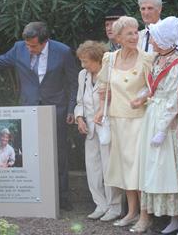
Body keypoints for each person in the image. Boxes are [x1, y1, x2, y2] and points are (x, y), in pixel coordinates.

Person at [0, 21, 78, 210]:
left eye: (33, 46)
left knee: (59, 152)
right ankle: (37, 194)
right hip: (28, 109)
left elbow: (74, 82)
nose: (29, 49)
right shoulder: (19, 49)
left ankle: (63, 197)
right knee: (32, 152)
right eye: (27, 45)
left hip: (56, 109)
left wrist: (72, 109)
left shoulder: (63, 51)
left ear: (45, 41)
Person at [94, 16, 154, 228]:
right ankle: (131, 212)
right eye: (129, 33)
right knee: (124, 168)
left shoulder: (147, 58)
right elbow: (103, 87)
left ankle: (145, 216)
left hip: (139, 121)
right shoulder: (109, 58)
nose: (134, 36)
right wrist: (101, 109)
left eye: (136, 32)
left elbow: (153, 87)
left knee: (138, 169)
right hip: (117, 120)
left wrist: (143, 98)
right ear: (118, 37)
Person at [136, 16, 178, 234]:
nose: (153, 42)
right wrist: (141, 96)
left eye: (156, 38)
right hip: (153, 114)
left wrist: (162, 128)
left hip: (168, 122)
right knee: (158, 169)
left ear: (166, 40)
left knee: (173, 169)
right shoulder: (158, 58)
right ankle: (173, 218)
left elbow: (174, 97)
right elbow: (153, 87)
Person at [74, 40, 123, 221]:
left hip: (107, 127)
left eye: (86, 61)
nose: (83, 65)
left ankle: (114, 207)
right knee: (93, 169)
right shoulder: (82, 75)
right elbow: (79, 101)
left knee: (109, 168)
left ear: (97, 60)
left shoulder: (110, 72)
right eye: (82, 61)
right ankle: (100, 205)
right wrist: (79, 118)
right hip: (89, 129)